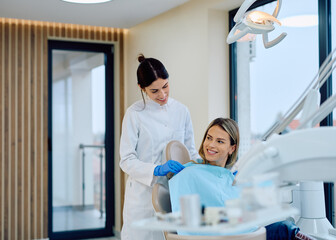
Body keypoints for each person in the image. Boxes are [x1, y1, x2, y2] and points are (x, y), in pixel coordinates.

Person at [169, 118, 315, 240]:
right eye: (209, 138)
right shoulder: (190, 173)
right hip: (228, 237)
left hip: (244, 233)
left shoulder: (230, 176)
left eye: (220, 141)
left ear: (232, 148)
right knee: (285, 229)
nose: (211, 145)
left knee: (286, 225)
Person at [119, 54, 199, 240]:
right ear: (142, 88)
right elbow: (126, 160)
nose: (162, 95)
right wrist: (156, 169)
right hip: (142, 197)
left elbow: (190, 151)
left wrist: (208, 168)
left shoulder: (182, 111)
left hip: (174, 193)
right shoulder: (134, 114)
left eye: (165, 86)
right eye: (154, 91)